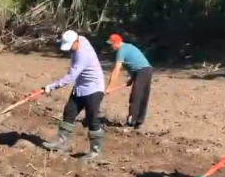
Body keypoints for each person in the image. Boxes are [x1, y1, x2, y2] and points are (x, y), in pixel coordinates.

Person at [42, 30, 106, 162]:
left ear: (76, 42)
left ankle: (95, 152)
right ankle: (62, 142)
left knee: (92, 119)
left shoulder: (83, 54)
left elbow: (70, 76)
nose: (70, 50)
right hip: (80, 87)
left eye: (71, 46)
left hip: (93, 88)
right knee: (69, 111)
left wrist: (51, 87)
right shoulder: (80, 40)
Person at [105, 34, 153, 131]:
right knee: (142, 97)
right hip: (147, 70)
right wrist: (132, 78)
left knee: (136, 97)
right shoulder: (128, 46)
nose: (111, 47)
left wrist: (109, 87)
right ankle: (139, 123)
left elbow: (117, 69)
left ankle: (131, 124)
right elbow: (136, 62)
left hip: (141, 71)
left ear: (117, 43)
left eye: (112, 44)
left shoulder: (121, 50)